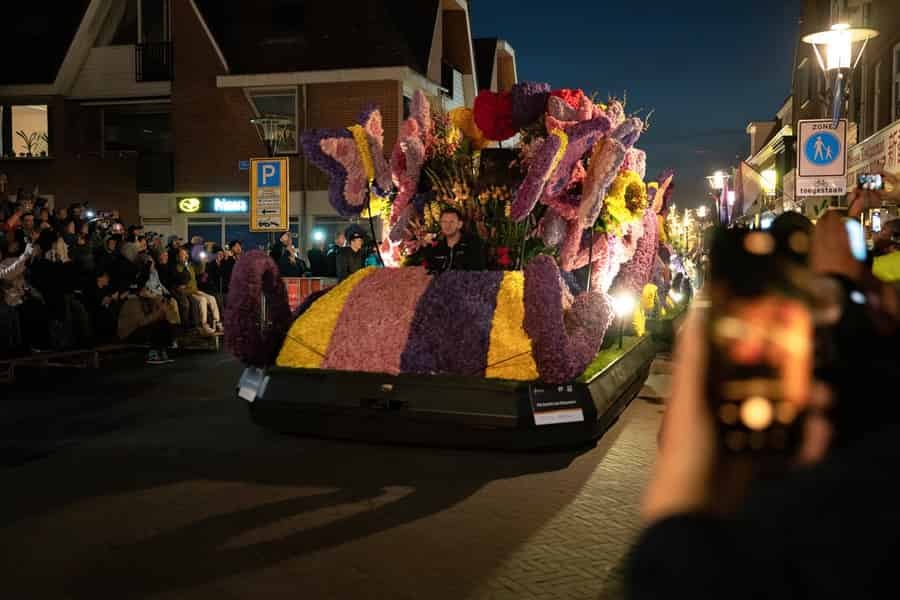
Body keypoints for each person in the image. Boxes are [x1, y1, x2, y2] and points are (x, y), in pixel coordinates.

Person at [117, 274, 175, 365]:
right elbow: (141, 322)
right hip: (129, 332)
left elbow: (161, 316)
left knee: (164, 324)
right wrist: (159, 311)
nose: (151, 291)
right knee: (155, 329)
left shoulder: (146, 301)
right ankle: (153, 354)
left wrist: (155, 300)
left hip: (140, 328)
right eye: (147, 289)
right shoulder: (133, 301)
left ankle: (162, 351)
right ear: (141, 291)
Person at [423, 207, 486, 273]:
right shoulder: (437, 248)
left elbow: (477, 271)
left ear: (460, 224)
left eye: (452, 222)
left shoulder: (473, 244)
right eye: (444, 222)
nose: (447, 225)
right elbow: (431, 272)